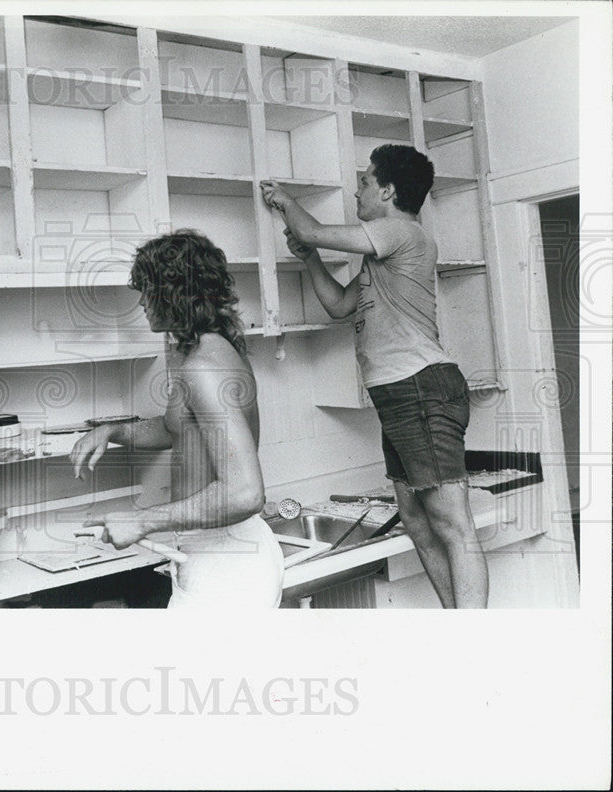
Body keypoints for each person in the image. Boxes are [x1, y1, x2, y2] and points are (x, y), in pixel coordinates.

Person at [260, 143, 488, 608]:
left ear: (387, 190)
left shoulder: (402, 232)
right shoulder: (381, 252)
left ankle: (473, 648)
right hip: (401, 394)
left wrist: (284, 199)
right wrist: (310, 259)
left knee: (451, 523)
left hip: (421, 385)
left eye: (364, 182)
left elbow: (313, 228)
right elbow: (341, 306)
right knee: (418, 520)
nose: (357, 192)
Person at [70, 229, 283, 608]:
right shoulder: (198, 353)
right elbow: (177, 429)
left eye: (147, 291)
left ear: (174, 293)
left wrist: (143, 520)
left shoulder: (204, 367)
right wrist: (113, 430)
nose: (141, 304)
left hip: (227, 561)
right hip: (212, 552)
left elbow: (245, 493)